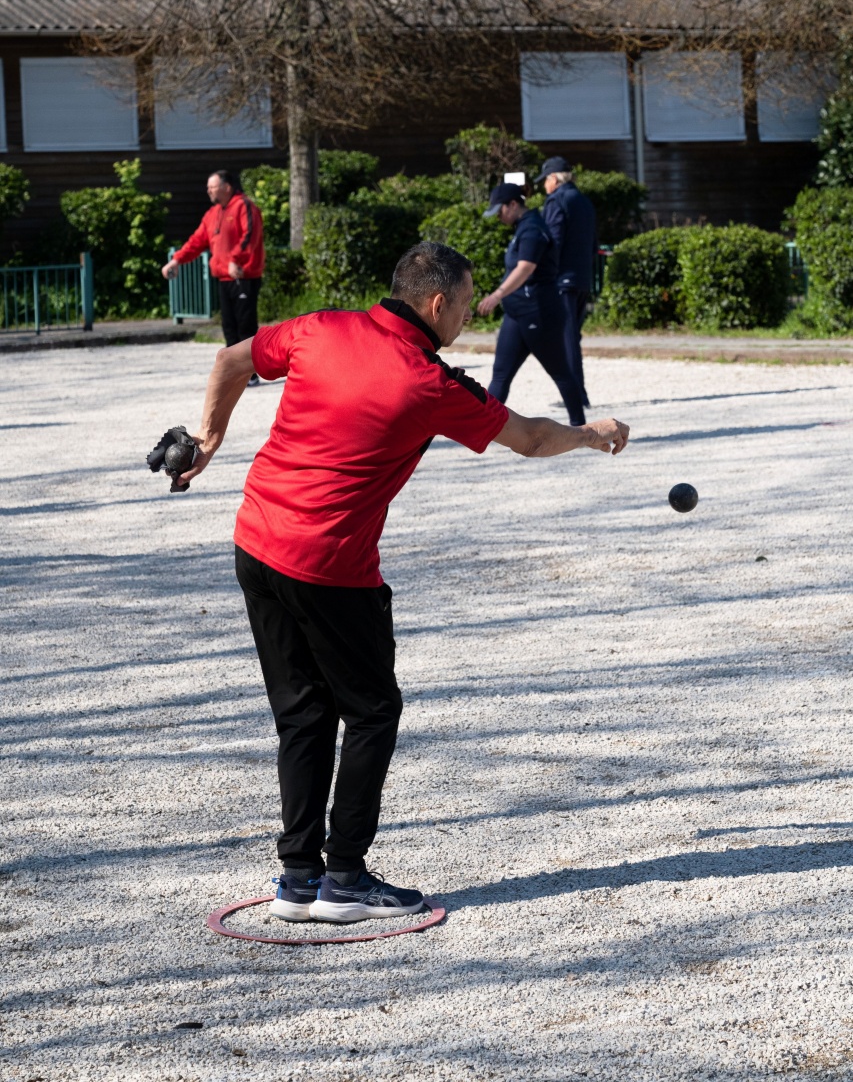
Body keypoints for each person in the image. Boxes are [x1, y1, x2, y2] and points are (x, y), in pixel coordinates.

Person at [173, 242, 629, 922]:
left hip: (256, 541)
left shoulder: (318, 327)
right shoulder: (429, 382)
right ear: (436, 303)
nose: (471, 315)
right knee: (371, 711)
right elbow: (530, 439)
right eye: (468, 303)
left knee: (302, 712)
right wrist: (591, 433)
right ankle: (346, 880)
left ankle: (298, 880)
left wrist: (208, 439)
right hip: (329, 565)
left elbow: (230, 359)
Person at [477, 181, 587, 426]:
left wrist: (497, 295)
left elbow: (526, 267)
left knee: (561, 373)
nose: (498, 217)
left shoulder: (533, 229)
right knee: (501, 374)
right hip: (516, 314)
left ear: (513, 205)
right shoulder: (522, 228)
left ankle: (580, 427)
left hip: (540, 313)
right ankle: (482, 428)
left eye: (500, 211)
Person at [162, 170, 265, 385]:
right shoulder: (212, 214)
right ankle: (235, 373)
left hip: (242, 276)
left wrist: (236, 259)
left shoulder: (244, 206)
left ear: (226, 187)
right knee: (228, 327)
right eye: (208, 187)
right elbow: (197, 241)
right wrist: (177, 260)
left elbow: (250, 236)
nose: (208, 190)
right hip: (223, 278)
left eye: (213, 186)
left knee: (245, 326)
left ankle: (251, 374)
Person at [534, 157, 597, 411]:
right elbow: (594, 244)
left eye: (545, 181)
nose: (543, 187)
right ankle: (577, 393)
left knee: (566, 338)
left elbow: (553, 242)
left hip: (562, 279)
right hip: (583, 278)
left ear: (554, 179)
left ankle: (577, 396)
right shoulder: (584, 201)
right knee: (571, 336)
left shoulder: (557, 201)